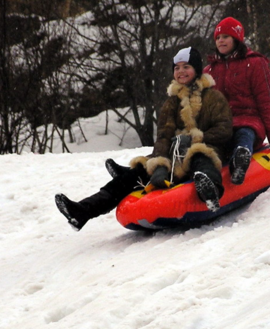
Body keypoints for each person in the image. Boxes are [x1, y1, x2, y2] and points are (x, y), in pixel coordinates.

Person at [55, 47, 233, 231]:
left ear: (196, 69)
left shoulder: (213, 97)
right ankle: (82, 211)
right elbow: (164, 135)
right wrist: (159, 163)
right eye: (177, 67)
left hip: (207, 148)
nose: (181, 71)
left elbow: (224, 129)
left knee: (201, 158)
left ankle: (210, 192)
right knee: (135, 173)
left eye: (186, 66)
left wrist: (196, 139)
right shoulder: (171, 102)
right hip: (175, 153)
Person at [203, 17, 270, 185]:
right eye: (218, 38)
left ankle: (241, 160)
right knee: (213, 144)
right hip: (222, 127)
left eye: (225, 37)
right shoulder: (209, 70)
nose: (221, 41)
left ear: (236, 39)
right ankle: (206, 175)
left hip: (248, 121)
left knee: (244, 134)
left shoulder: (255, 63)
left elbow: (267, 102)